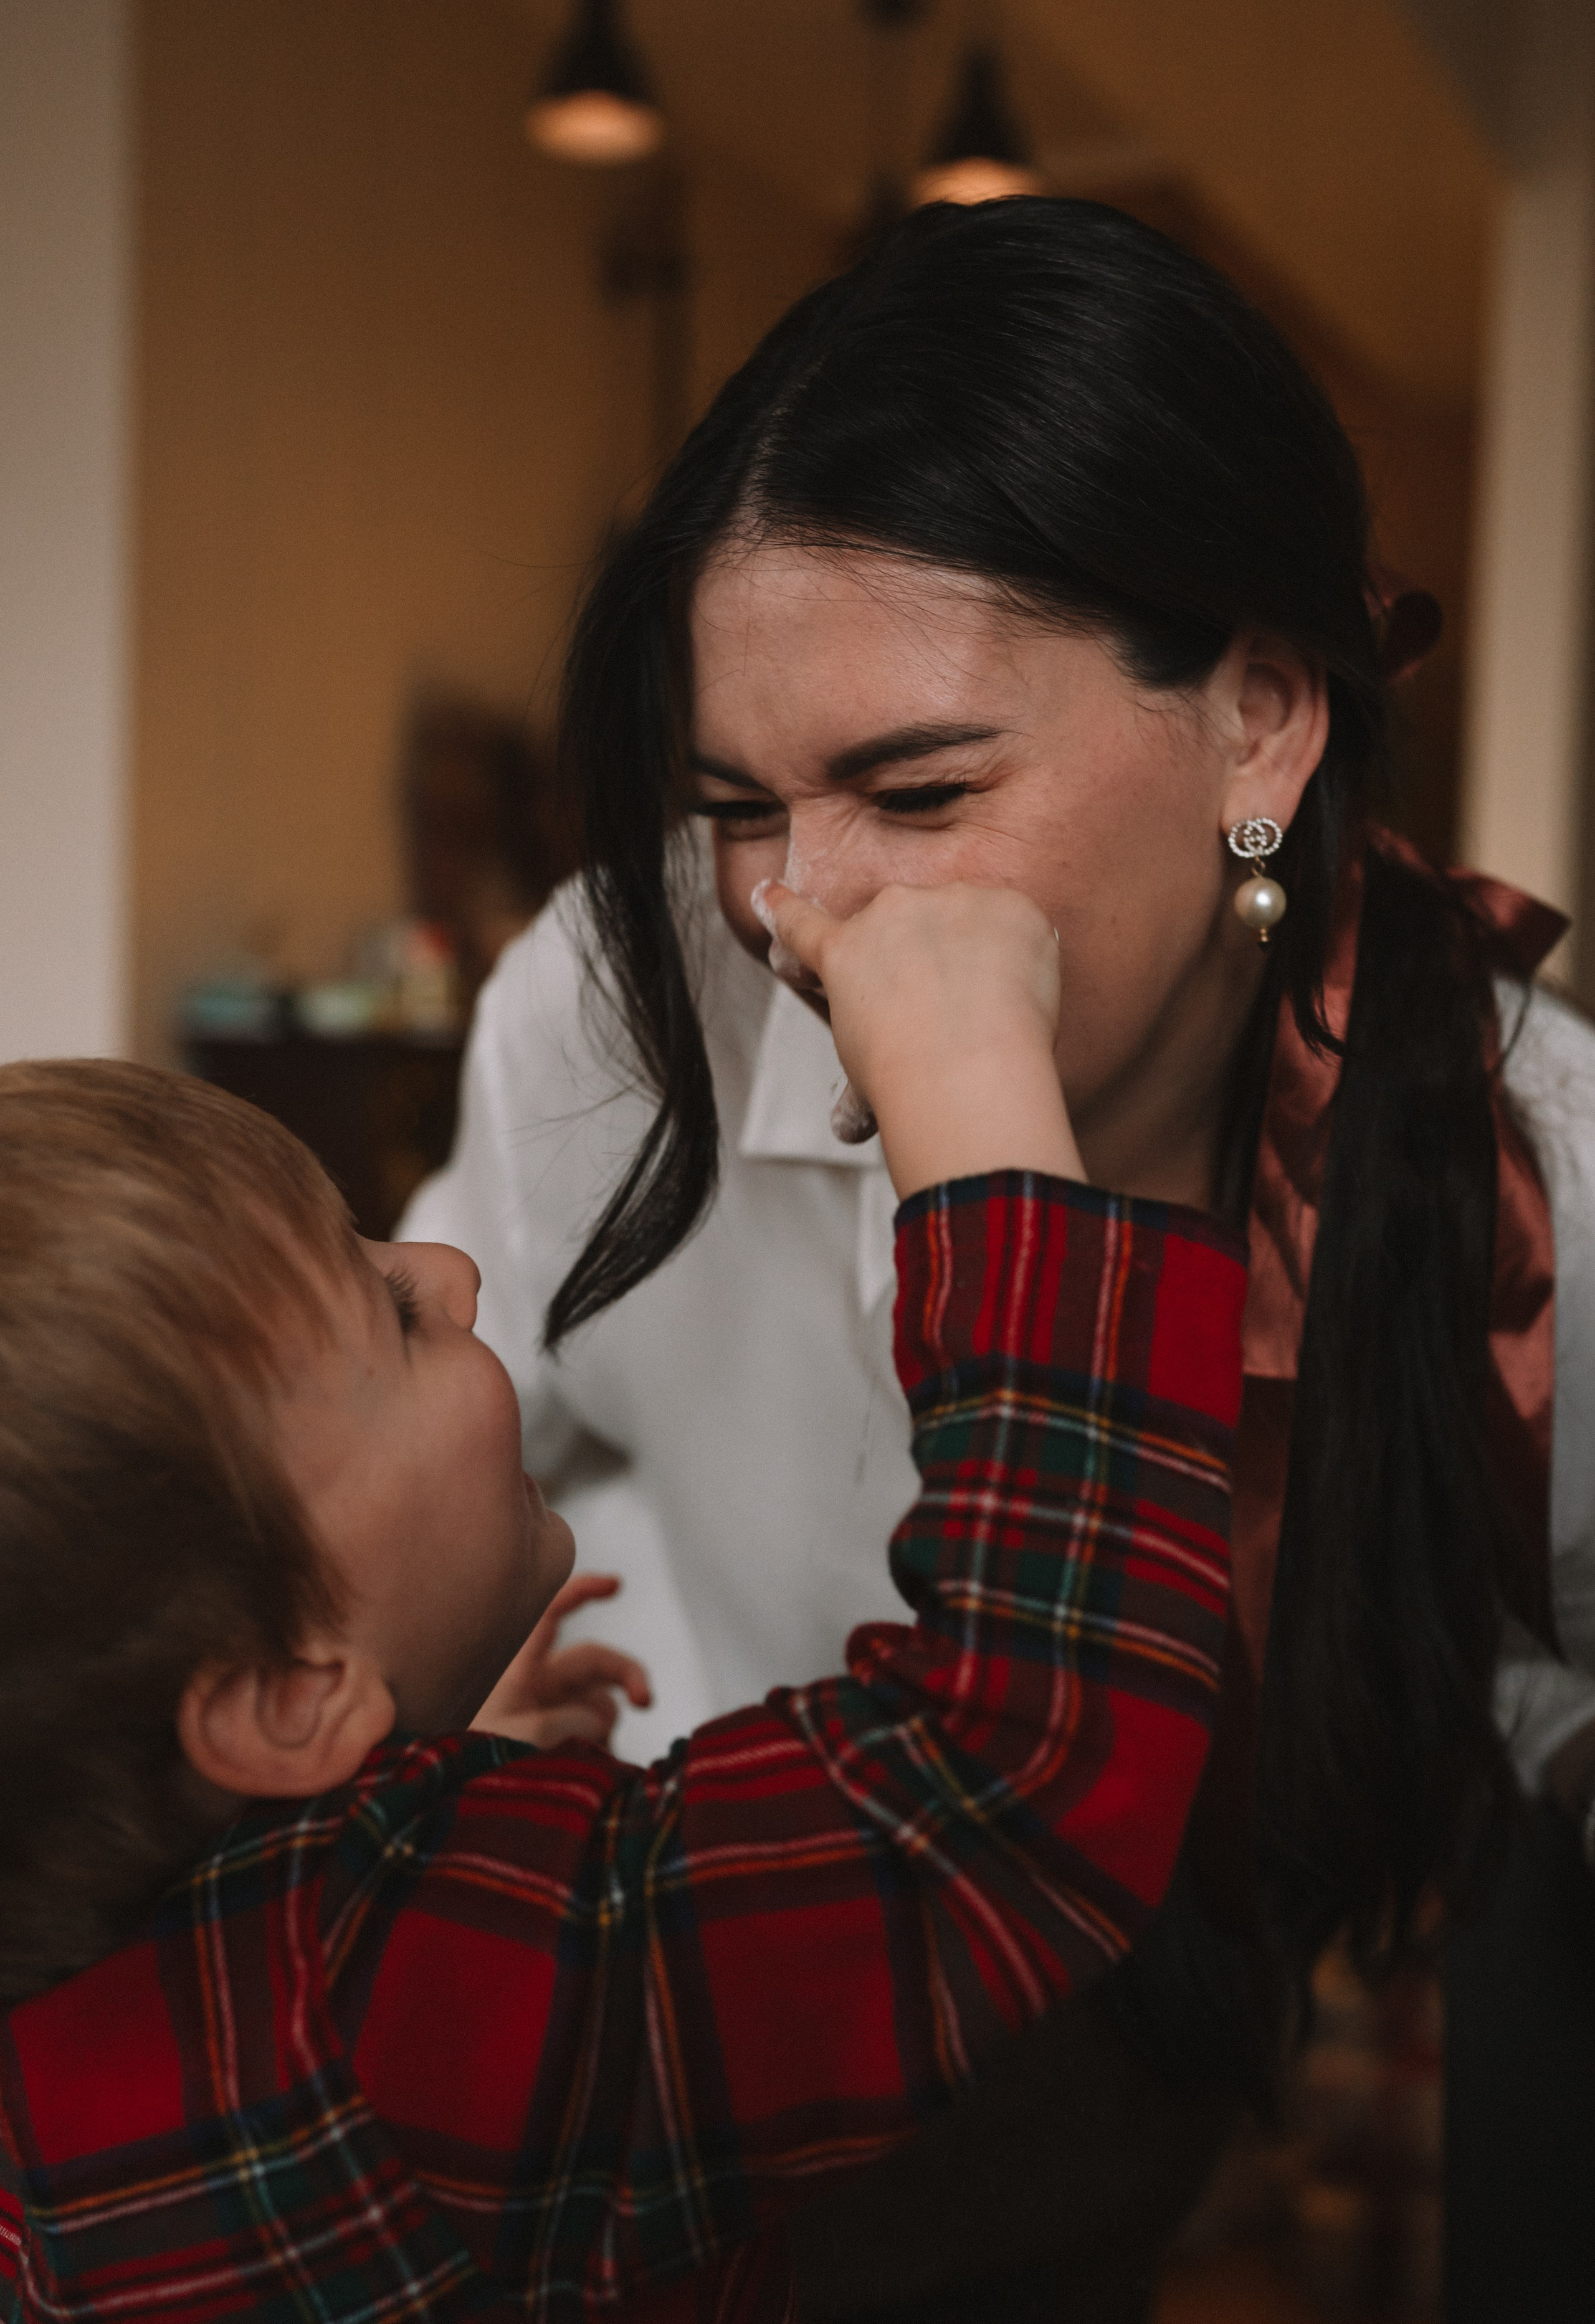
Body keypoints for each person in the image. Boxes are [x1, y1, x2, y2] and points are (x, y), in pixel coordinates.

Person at [405, 197, 1595, 2317]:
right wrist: (428, 1694)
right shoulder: (617, 995)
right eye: (737, 803)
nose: (800, 911)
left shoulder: (1534, 1184)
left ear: (1257, 718)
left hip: (1094, 2146)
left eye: (922, 788)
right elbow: (426, 1427)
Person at [0, 872, 1245, 2323]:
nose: (455, 1274)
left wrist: (432, 1786)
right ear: (286, 1700)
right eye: (391, 1320)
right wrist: (977, 1116)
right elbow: (1005, 1777)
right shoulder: (397, 2018)